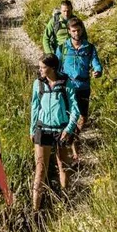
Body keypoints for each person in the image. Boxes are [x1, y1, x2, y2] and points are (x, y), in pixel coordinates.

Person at [30, 54, 79, 210]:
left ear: (52, 68)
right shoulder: (38, 84)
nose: (40, 70)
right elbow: (34, 107)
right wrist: (32, 129)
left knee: (63, 167)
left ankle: (65, 202)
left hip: (61, 130)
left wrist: (69, 129)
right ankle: (35, 210)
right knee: (40, 170)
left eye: (43, 67)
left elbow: (74, 109)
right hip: (42, 129)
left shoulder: (66, 83)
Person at [55, 16, 102, 128]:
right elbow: (56, 66)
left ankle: (75, 137)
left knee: (83, 116)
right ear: (69, 31)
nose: (76, 33)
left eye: (78, 30)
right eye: (73, 31)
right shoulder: (62, 48)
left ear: (82, 30)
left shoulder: (89, 48)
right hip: (67, 87)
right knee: (68, 115)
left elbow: (96, 62)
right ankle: (72, 142)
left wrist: (98, 71)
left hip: (83, 86)